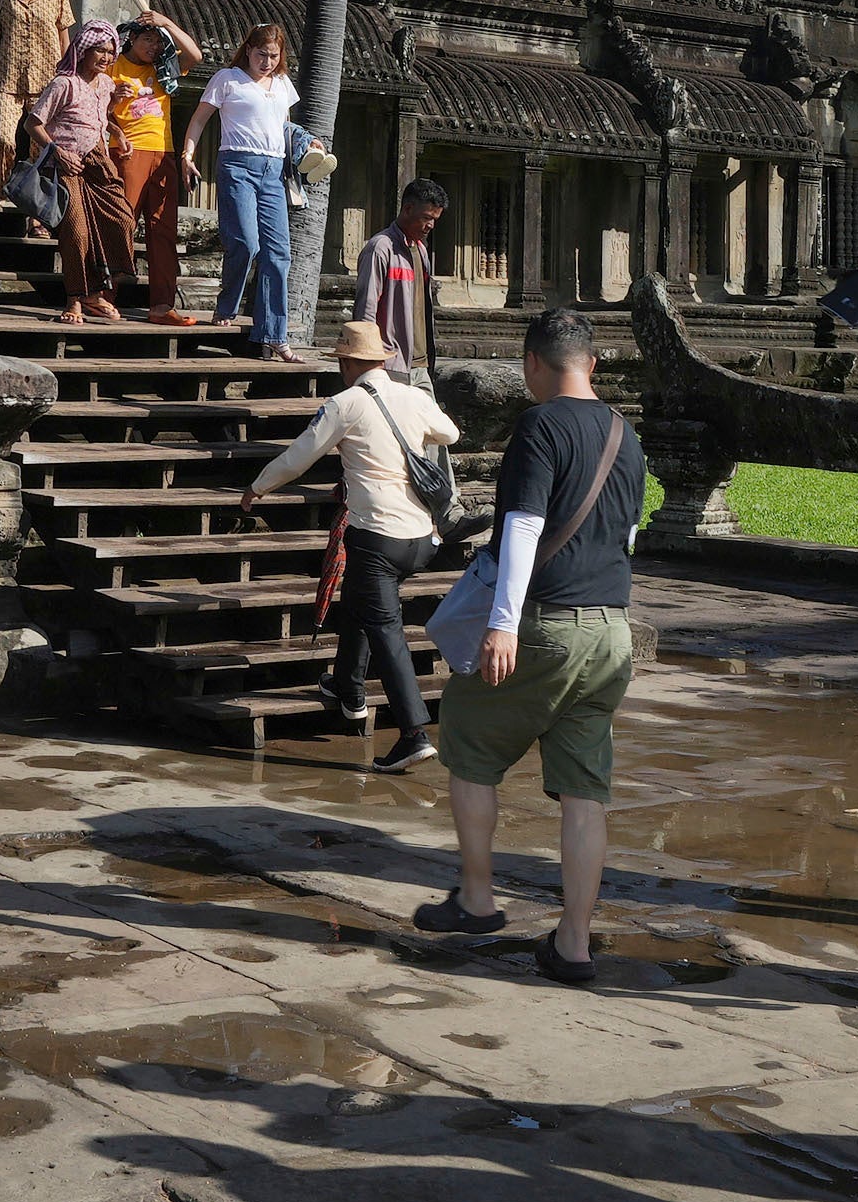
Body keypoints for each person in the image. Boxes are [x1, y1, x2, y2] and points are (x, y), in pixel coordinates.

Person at [419, 307, 639, 984]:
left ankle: (479, 900)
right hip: (611, 630)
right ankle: (574, 942)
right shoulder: (626, 436)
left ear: (532, 366)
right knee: (584, 790)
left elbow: (521, 527)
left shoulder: (540, 426)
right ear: (592, 364)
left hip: (546, 622)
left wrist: (503, 622)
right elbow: (628, 538)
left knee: (467, 736)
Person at [244, 315, 455, 769]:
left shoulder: (344, 404)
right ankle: (347, 687)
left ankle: (414, 733)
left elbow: (298, 458)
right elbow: (450, 433)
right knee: (362, 602)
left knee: (385, 629)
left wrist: (256, 488)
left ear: (346, 362)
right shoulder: (413, 396)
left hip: (377, 537)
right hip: (421, 537)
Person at [182, 22, 305, 352]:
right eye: (261, 54)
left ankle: (274, 334)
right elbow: (199, 119)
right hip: (237, 164)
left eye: (273, 56)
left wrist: (308, 144)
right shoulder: (228, 79)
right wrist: (187, 154)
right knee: (246, 243)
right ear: (248, 50)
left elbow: (284, 126)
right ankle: (227, 306)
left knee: (278, 253)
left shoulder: (282, 83)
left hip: (274, 169)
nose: (266, 61)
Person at [24, 21, 129, 323]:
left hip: (98, 164)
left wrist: (118, 133)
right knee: (77, 233)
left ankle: (96, 293)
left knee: (121, 220)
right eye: (100, 50)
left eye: (111, 52)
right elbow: (33, 123)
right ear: (84, 50)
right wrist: (56, 151)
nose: (106, 57)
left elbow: (99, 118)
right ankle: (74, 301)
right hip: (66, 164)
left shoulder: (107, 85)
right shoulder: (64, 84)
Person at [104, 9, 204, 319]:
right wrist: (114, 103)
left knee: (164, 229)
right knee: (121, 224)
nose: (154, 47)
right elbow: (96, 112)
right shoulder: (112, 66)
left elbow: (195, 56)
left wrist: (167, 23)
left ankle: (163, 304)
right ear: (131, 39)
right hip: (126, 152)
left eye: (157, 42)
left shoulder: (165, 68)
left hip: (163, 153)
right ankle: (104, 294)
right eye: (147, 40)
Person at [0, 0, 72, 171]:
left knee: (41, 144)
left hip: (46, 80)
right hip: (8, 79)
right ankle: (0, 186)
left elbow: (63, 38)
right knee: (3, 139)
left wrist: (68, 76)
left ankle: (33, 193)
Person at [353, 182, 446, 383]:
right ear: (408, 209)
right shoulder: (380, 248)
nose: (431, 225)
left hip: (420, 366)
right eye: (427, 217)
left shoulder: (421, 250)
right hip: (389, 365)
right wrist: (370, 361)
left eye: (435, 220)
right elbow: (366, 309)